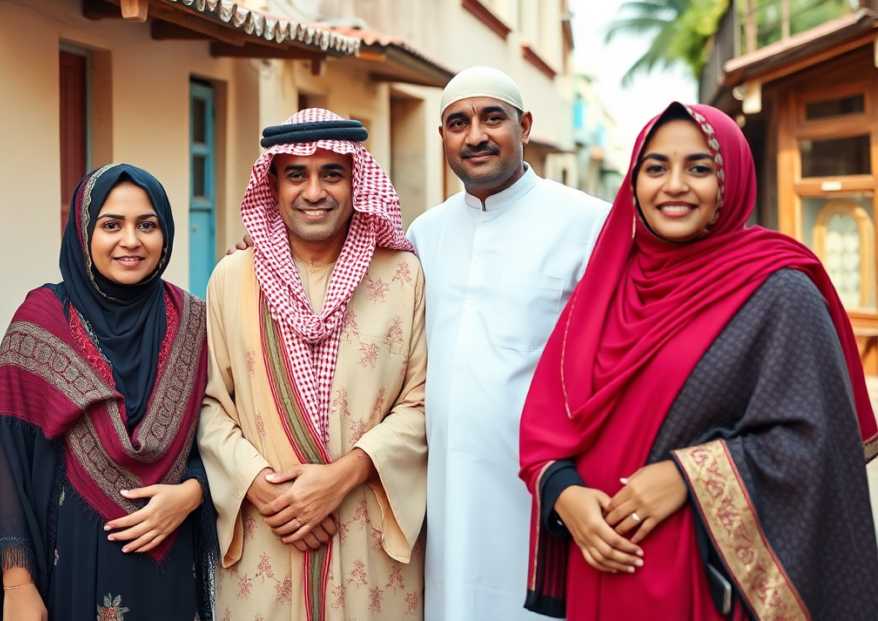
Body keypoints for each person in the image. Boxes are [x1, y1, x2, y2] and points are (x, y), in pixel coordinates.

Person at [519, 102, 878, 621]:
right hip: (598, 561)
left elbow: (815, 445)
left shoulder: (779, 291)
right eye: (657, 167)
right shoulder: (607, 284)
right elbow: (550, 416)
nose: (675, 185)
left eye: (700, 167)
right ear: (634, 182)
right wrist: (564, 493)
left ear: (729, 181)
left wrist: (689, 475)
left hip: (703, 577)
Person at [198, 109, 428, 621]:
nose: (314, 191)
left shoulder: (403, 276)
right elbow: (211, 406)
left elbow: (421, 402)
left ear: (356, 183)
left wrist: (342, 477)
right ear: (273, 186)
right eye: (296, 174)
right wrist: (259, 485)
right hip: (267, 529)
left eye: (333, 174)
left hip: (367, 528)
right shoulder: (231, 278)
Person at [405, 66, 610, 619]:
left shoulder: (588, 224)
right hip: (445, 485)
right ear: (443, 136)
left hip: (539, 483)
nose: (475, 135)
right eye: (458, 122)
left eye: (492, 117)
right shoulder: (424, 232)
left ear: (524, 125)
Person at [0, 164, 218, 621]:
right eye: (111, 225)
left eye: (147, 224)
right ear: (83, 233)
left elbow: (224, 432)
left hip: (170, 559)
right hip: (68, 565)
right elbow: (6, 458)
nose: (131, 240)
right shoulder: (41, 321)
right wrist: (18, 584)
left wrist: (193, 492)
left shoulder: (196, 322)